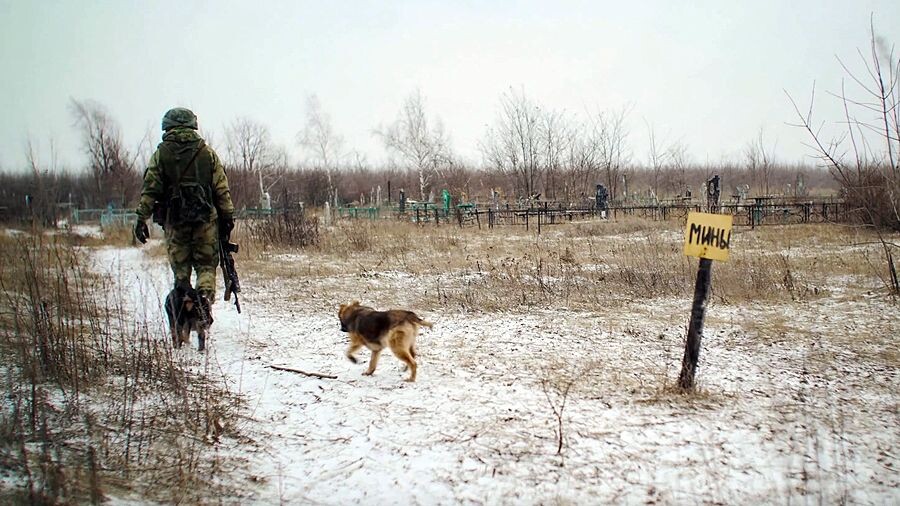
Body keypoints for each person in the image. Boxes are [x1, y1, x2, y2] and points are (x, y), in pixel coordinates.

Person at [133, 107, 235, 324]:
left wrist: (141, 218)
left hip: (175, 223)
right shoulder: (207, 153)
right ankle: (204, 301)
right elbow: (221, 189)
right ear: (193, 125)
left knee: (181, 271)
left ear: (167, 126)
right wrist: (227, 218)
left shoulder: (161, 154)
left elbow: (150, 189)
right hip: (206, 222)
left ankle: (184, 307)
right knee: (206, 266)